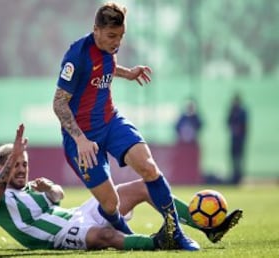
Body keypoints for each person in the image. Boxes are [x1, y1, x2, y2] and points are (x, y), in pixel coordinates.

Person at [54, 2, 219, 251]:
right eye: (111, 36)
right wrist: (80, 139)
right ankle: (132, 238)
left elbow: (104, 67)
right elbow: (58, 104)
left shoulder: (109, 46)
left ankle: (176, 233)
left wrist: (128, 73)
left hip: (110, 122)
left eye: (121, 36)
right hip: (82, 138)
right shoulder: (76, 56)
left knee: (149, 167)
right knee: (110, 205)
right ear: (95, 30)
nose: (117, 42)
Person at [0, 124, 243, 251]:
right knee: (104, 238)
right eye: (16, 165)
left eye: (23, 163)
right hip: (60, 236)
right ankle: (158, 242)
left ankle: (207, 227)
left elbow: (59, 196)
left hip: (77, 214)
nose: (22, 169)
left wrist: (50, 187)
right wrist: (13, 156)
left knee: (143, 186)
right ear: (4, 167)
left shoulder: (30, 190)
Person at [227, 94, 248, 185]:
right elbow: (227, 122)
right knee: (233, 158)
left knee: (239, 158)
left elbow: (244, 125)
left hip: (240, 139)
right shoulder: (231, 110)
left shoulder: (243, 111)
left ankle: (239, 177)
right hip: (233, 139)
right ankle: (234, 177)